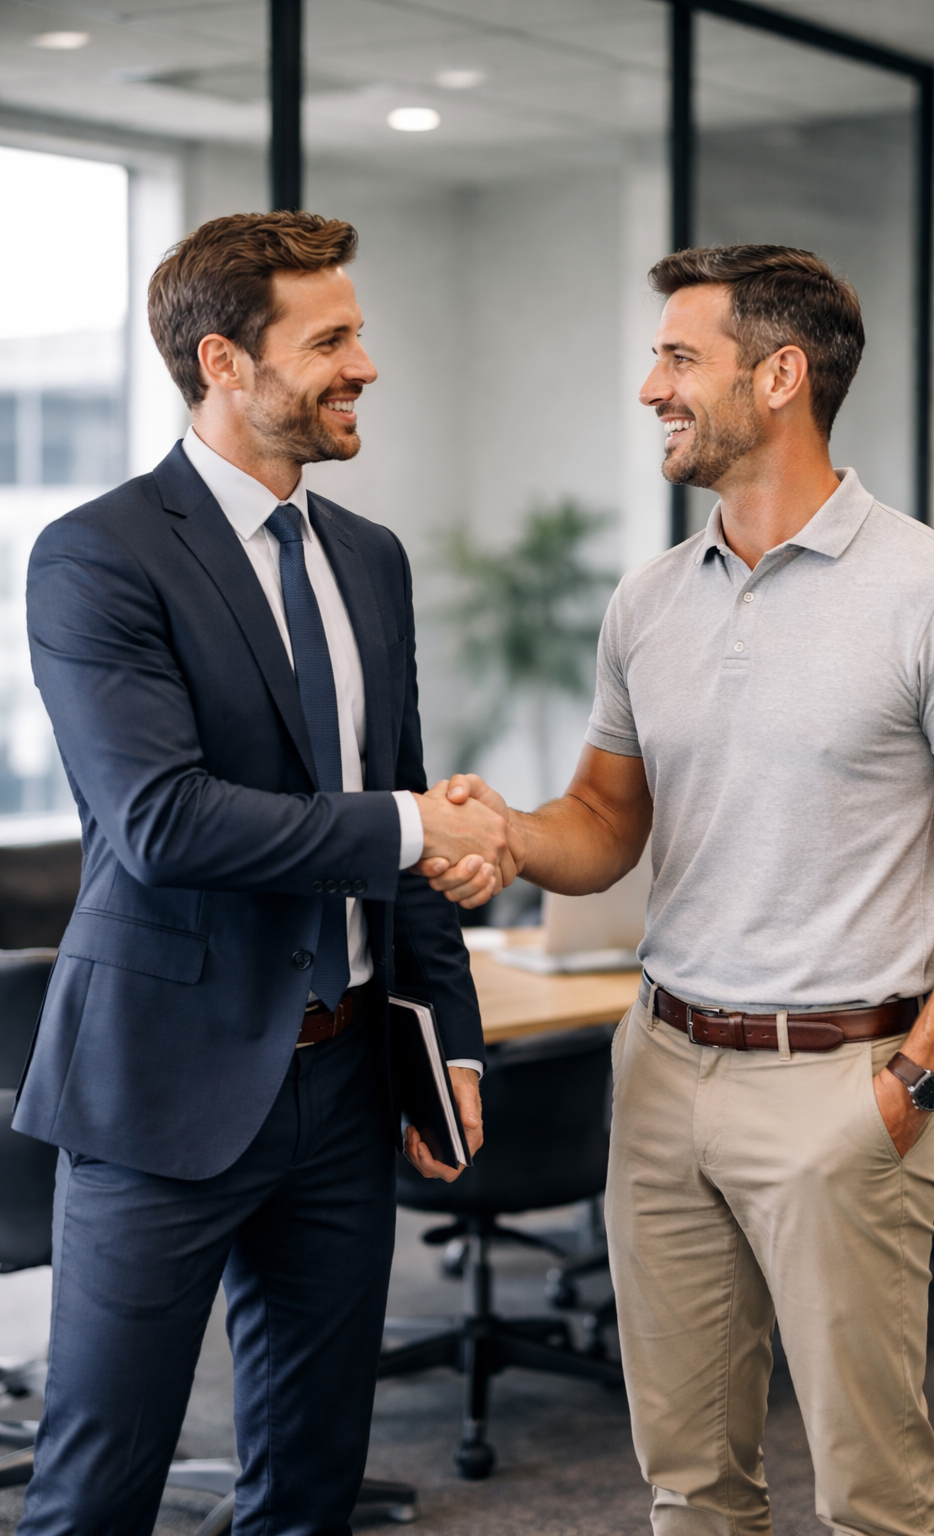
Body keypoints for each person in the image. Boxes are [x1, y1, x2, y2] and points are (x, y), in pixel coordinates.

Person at [428, 245, 934, 1536]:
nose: (652, 387)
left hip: (842, 1085)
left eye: (680, 357)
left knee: (873, 1497)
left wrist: (916, 1082)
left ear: (783, 375)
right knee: (689, 1485)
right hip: (660, 1073)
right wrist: (506, 836)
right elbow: (601, 823)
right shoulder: (650, 601)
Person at [14, 210, 513, 1536]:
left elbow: (394, 797)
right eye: (332, 338)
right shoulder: (97, 554)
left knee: (308, 1483)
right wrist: (417, 826)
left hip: (346, 1082)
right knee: (97, 1489)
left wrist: (447, 1035)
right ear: (225, 362)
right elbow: (163, 823)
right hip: (159, 1088)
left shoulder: (370, 557)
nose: (367, 363)